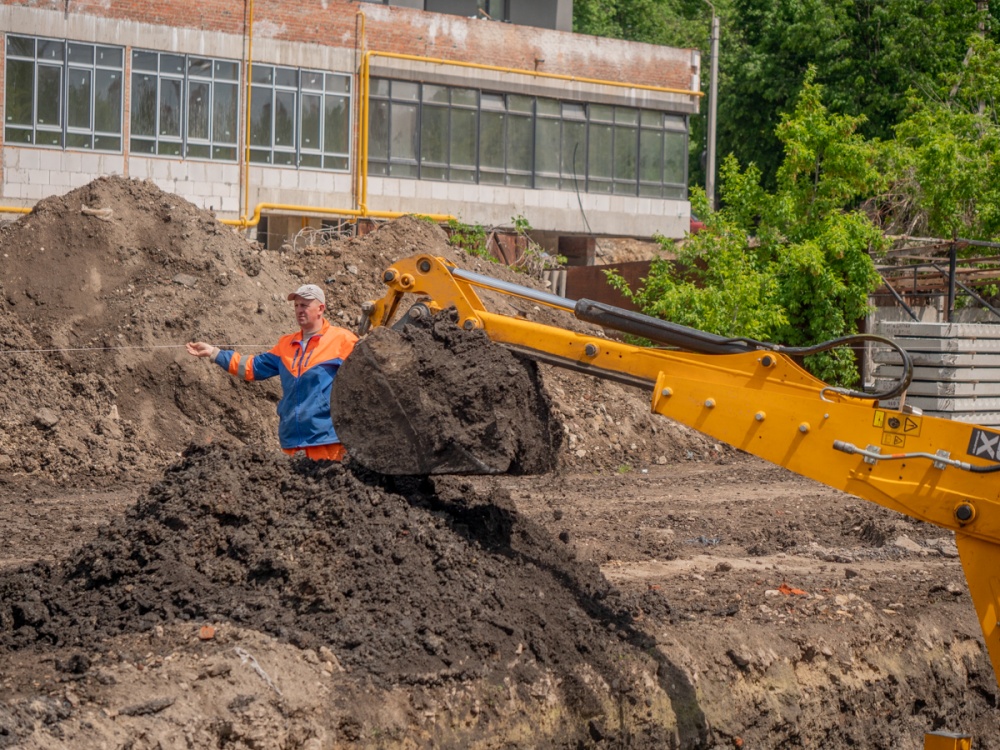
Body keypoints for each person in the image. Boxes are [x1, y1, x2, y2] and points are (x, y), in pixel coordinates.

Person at [186, 284, 358, 461]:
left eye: (304, 305)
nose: (299, 310)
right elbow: (252, 367)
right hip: (292, 441)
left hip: (327, 440)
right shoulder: (286, 344)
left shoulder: (342, 340)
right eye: (296, 305)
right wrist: (214, 353)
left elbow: (366, 377)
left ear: (320, 308)